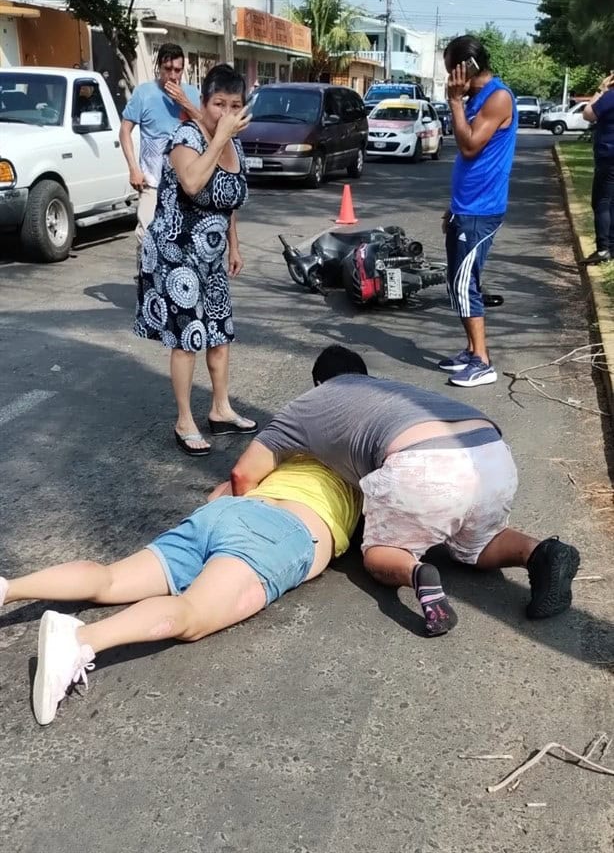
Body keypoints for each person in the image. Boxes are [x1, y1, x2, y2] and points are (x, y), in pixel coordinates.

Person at [230, 345, 580, 637]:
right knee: (480, 542)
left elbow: (243, 473)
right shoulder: (389, 391)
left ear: (318, 382)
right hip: (492, 453)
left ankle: (418, 575)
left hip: (424, 463)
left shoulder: (307, 403)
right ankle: (540, 553)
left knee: (379, 553)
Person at [0, 456, 361, 726]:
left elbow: (224, 487)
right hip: (284, 531)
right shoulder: (367, 470)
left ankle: (10, 588)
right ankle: (79, 640)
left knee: (111, 578)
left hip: (229, 511)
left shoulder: (295, 442)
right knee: (192, 614)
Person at [133, 63, 256, 457]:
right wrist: (218, 138)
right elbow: (193, 183)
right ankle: (184, 420)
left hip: (212, 256)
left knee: (219, 334)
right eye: (218, 103)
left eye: (234, 105)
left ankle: (220, 409)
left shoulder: (233, 144)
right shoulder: (186, 137)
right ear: (203, 102)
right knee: (188, 339)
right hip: (176, 254)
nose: (226, 112)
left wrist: (234, 246)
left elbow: (229, 199)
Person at [439, 36, 518, 388]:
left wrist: (455, 100)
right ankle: (471, 351)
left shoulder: (498, 97)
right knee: (457, 283)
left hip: (481, 210)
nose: (449, 81)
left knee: (464, 283)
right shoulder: (477, 99)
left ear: (465, 68)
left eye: (451, 72)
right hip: (465, 207)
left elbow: (470, 146)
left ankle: (483, 361)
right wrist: (453, 207)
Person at [119, 43, 201, 270]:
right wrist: (134, 169)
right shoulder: (144, 93)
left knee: (183, 238)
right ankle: (144, 280)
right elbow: (124, 130)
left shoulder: (192, 94)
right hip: (152, 181)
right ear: (159, 68)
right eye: (167, 69)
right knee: (146, 235)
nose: (173, 75)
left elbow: (206, 128)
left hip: (185, 183)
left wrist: (185, 102)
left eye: (178, 70)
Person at [579, 71, 614, 265]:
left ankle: (602, 249)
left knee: (601, 202)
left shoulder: (610, 97)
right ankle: (611, 246)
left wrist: (601, 89)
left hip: (608, 156)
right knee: (612, 203)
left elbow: (588, 114)